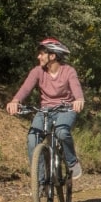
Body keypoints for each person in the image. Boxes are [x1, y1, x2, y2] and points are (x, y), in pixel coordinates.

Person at [6, 37, 86, 180]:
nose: (39, 56)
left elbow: (76, 87)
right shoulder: (37, 71)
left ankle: (72, 162)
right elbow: (25, 88)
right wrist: (15, 101)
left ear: (52, 56)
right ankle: (40, 182)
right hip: (45, 111)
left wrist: (79, 99)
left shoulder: (68, 71)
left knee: (62, 132)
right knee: (32, 139)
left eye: (42, 53)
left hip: (66, 109)